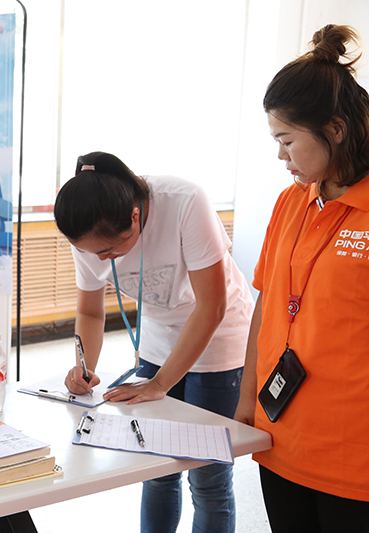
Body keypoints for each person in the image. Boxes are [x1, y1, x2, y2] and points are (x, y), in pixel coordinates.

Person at [54, 152, 254, 533]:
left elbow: (212, 307)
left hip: (218, 341)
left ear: (135, 216)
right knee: (156, 467)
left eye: (110, 250)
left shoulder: (184, 202)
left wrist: (161, 382)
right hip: (158, 342)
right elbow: (90, 313)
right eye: (92, 252)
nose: (102, 259)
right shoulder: (88, 231)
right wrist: (84, 367)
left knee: (207, 476)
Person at [234, 24, 369, 532]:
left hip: (354, 452)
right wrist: (246, 401)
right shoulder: (291, 202)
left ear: (335, 129)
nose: (280, 155)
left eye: (287, 140)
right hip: (281, 435)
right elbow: (267, 304)